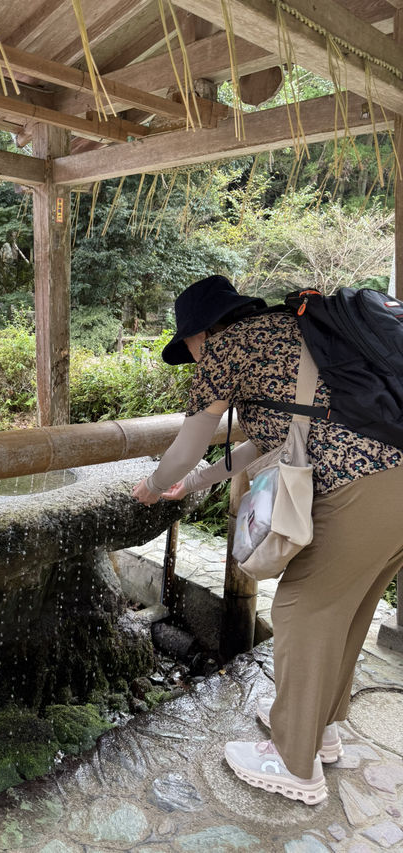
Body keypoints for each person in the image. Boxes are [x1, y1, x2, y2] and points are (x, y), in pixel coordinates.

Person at [132, 274, 403, 805]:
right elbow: (274, 435)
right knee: (346, 608)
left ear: (200, 332)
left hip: (360, 484)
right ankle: (317, 729)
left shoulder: (227, 345)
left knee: (305, 608)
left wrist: (155, 485)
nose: (192, 357)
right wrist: (196, 483)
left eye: (188, 346)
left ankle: (293, 762)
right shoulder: (293, 330)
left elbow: (186, 446)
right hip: (392, 480)